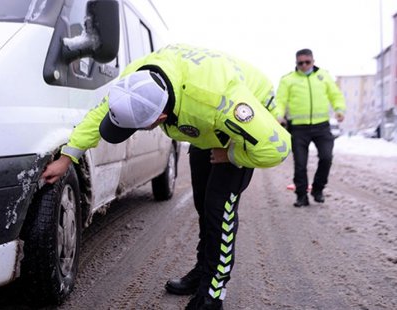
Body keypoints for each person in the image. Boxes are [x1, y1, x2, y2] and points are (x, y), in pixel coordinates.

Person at [41, 44, 291, 310]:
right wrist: (68, 157)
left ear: (160, 118)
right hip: (203, 121)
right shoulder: (136, 81)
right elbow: (98, 117)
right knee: (203, 205)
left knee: (219, 210)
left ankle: (214, 291)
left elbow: (277, 148)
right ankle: (201, 271)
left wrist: (231, 156)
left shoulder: (217, 100)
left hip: (244, 113)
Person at [275, 48, 346, 207]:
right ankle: (301, 195)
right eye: (300, 63)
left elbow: (335, 95)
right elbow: (280, 100)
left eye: (307, 62)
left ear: (313, 61)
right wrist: (278, 116)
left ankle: (318, 189)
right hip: (299, 129)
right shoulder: (288, 80)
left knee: (326, 158)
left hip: (322, 127)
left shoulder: (324, 76)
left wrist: (339, 109)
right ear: (296, 63)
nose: (304, 65)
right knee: (300, 164)